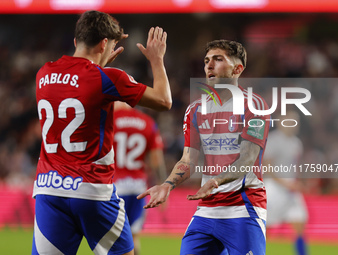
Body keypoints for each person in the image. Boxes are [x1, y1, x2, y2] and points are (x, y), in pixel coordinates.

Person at [32, 10, 171, 255]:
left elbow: (79, 87)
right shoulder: (107, 78)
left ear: (77, 41)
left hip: (49, 192)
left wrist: (99, 66)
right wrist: (157, 59)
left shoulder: (44, 74)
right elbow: (163, 100)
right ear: (105, 43)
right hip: (93, 193)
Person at [138, 39, 270, 255]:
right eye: (207, 60)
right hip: (207, 210)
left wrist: (215, 181)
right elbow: (188, 160)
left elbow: (247, 159)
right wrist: (167, 185)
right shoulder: (196, 109)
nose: (209, 65)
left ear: (238, 69)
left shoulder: (254, 105)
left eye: (218, 59)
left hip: (243, 208)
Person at [112, 102, 167, 255]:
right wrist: (163, 186)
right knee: (133, 237)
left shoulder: (108, 120)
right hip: (137, 187)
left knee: (110, 238)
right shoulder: (148, 122)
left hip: (114, 186)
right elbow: (157, 160)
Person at [263, 110, 309, 255]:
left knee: (300, 221)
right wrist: (285, 183)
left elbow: (295, 166)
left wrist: (298, 182)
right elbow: (267, 167)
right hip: (274, 187)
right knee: (267, 227)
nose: (295, 125)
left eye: (296, 121)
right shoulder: (273, 139)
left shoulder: (296, 142)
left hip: (290, 188)